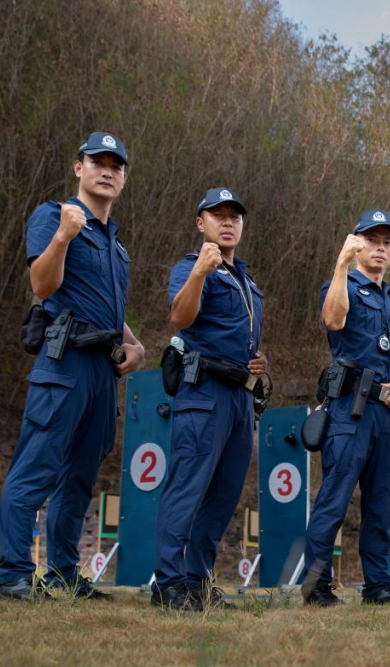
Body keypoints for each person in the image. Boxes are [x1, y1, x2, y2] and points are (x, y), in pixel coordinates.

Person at [0, 132, 145, 601]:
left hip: (103, 370)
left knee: (79, 477)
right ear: (78, 168)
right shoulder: (54, 216)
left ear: (123, 178)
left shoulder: (117, 247)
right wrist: (63, 235)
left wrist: (134, 343)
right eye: (97, 162)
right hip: (64, 363)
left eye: (116, 165)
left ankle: (61, 572)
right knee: (36, 468)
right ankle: (14, 576)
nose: (107, 170)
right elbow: (42, 285)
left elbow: (106, 308)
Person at [301, 209, 390, 607]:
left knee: (383, 505)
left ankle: (378, 586)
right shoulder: (341, 286)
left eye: (387, 242)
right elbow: (333, 321)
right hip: (349, 411)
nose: (380, 247)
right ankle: (317, 586)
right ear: (356, 244)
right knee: (333, 501)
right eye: (372, 240)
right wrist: (340, 264)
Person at [151, 188, 267, 611]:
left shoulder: (248, 282)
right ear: (201, 223)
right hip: (204, 393)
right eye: (217, 215)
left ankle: (198, 583)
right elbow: (181, 317)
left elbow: (239, 336)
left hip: (240, 398)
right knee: (186, 489)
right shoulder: (190, 266)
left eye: (234, 216)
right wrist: (201, 270)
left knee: (222, 497)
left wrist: (257, 361)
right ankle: (167, 584)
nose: (227, 222)